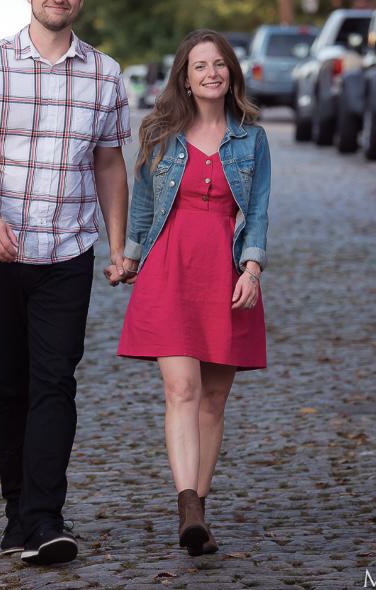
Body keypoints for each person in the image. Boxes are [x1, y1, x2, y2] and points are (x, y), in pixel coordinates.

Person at [0, 0, 131, 566]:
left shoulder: (105, 74)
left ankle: (45, 518)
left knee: (55, 381)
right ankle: (16, 513)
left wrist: (116, 244)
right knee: (9, 385)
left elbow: (109, 163)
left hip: (67, 251)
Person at [116, 28, 271, 556]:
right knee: (180, 390)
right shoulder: (159, 132)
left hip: (225, 274)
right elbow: (142, 202)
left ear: (231, 74)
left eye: (219, 65)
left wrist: (251, 270)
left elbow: (260, 212)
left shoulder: (251, 137)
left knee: (213, 397)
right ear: (184, 76)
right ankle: (188, 505)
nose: (211, 73)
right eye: (200, 65)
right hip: (169, 268)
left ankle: (197, 512)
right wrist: (128, 257)